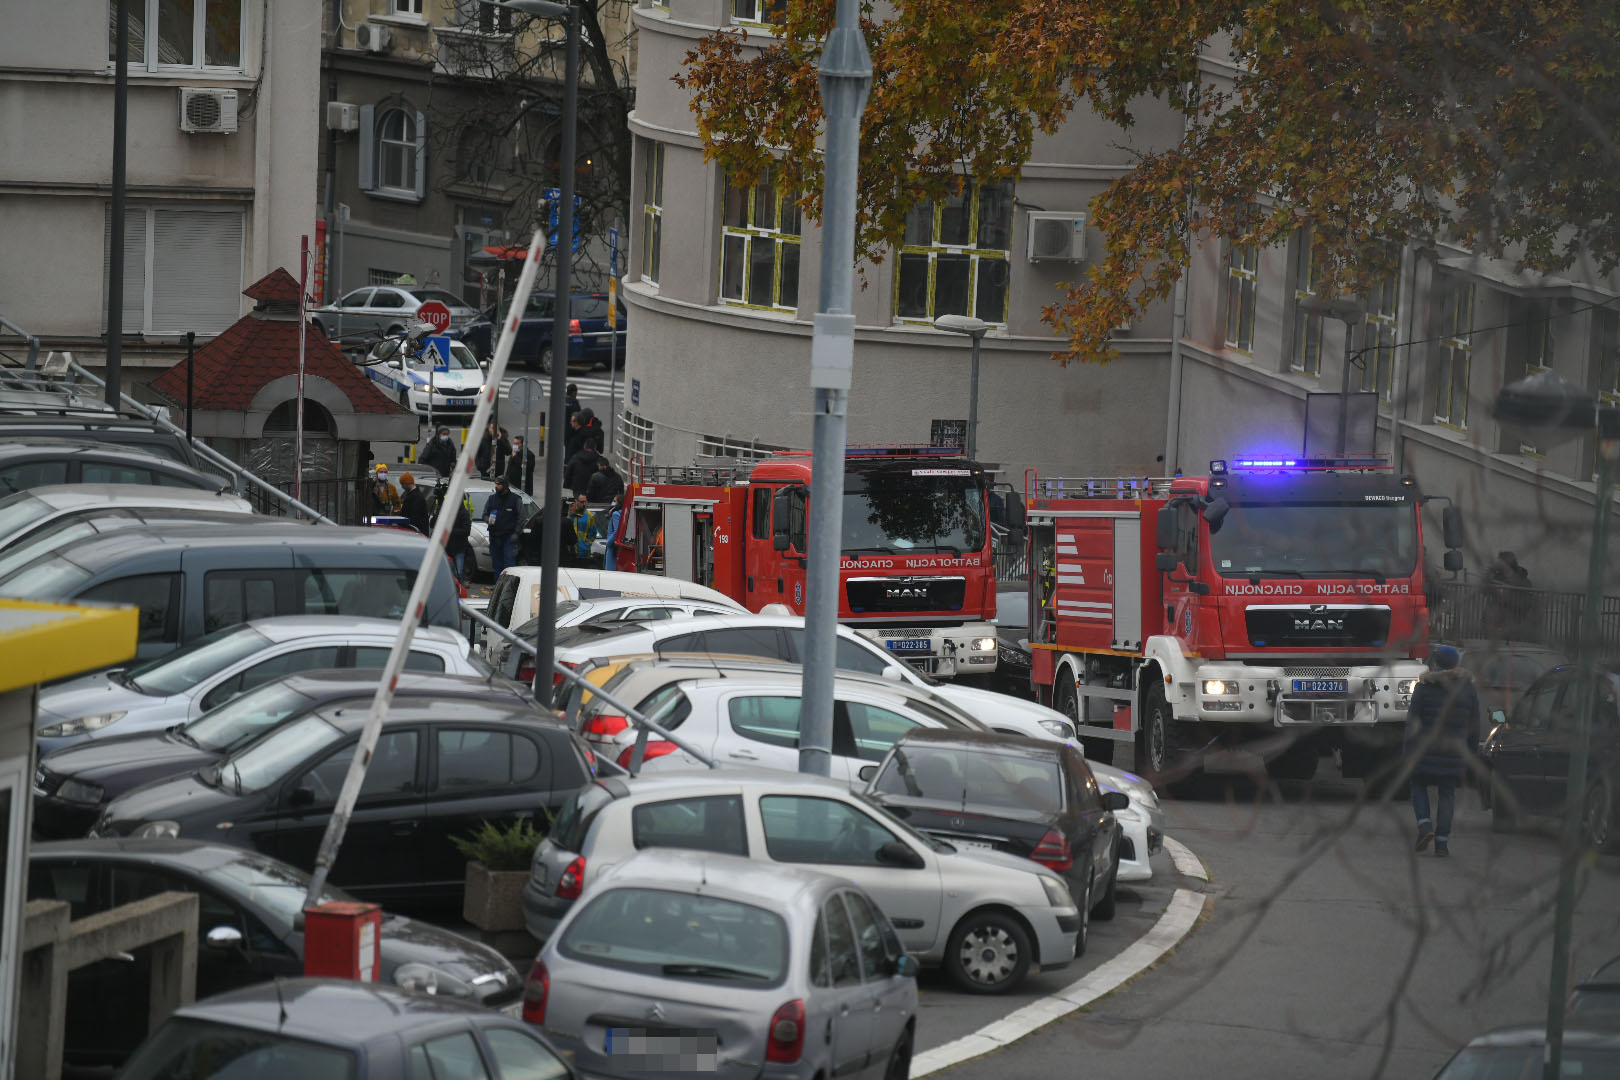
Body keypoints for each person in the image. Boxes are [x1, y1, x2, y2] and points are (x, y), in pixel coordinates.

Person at [1404, 644, 1479, 857]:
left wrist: (1407, 751)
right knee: (1447, 793)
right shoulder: (1468, 689)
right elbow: (1474, 724)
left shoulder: (1424, 687)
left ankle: (1425, 825)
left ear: (1436, 663)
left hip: (1425, 750)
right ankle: (1442, 843)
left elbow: (1412, 723)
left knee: (1418, 784)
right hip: (1454, 751)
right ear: (1456, 663)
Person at [482, 478, 523, 577]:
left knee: (509, 565)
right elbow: (484, 514)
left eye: (499, 484)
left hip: (508, 537)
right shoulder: (491, 499)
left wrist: (516, 533)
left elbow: (521, 517)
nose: (496, 486)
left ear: (505, 485)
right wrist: (488, 520)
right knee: (497, 564)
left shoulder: (515, 499)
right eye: (496, 484)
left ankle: (508, 585)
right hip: (494, 537)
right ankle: (498, 584)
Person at [566, 492, 602, 567]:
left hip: (583, 553)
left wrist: (586, 545)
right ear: (576, 501)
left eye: (585, 501)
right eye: (582, 502)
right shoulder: (568, 514)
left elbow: (593, 533)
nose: (584, 504)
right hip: (568, 552)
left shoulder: (589, 515)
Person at [602, 493, 624, 571]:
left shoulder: (615, 514)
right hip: (618, 547)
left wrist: (608, 542)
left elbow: (617, 531)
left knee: (610, 570)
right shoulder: (623, 513)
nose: (613, 502)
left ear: (619, 502)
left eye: (615, 501)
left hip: (612, 547)